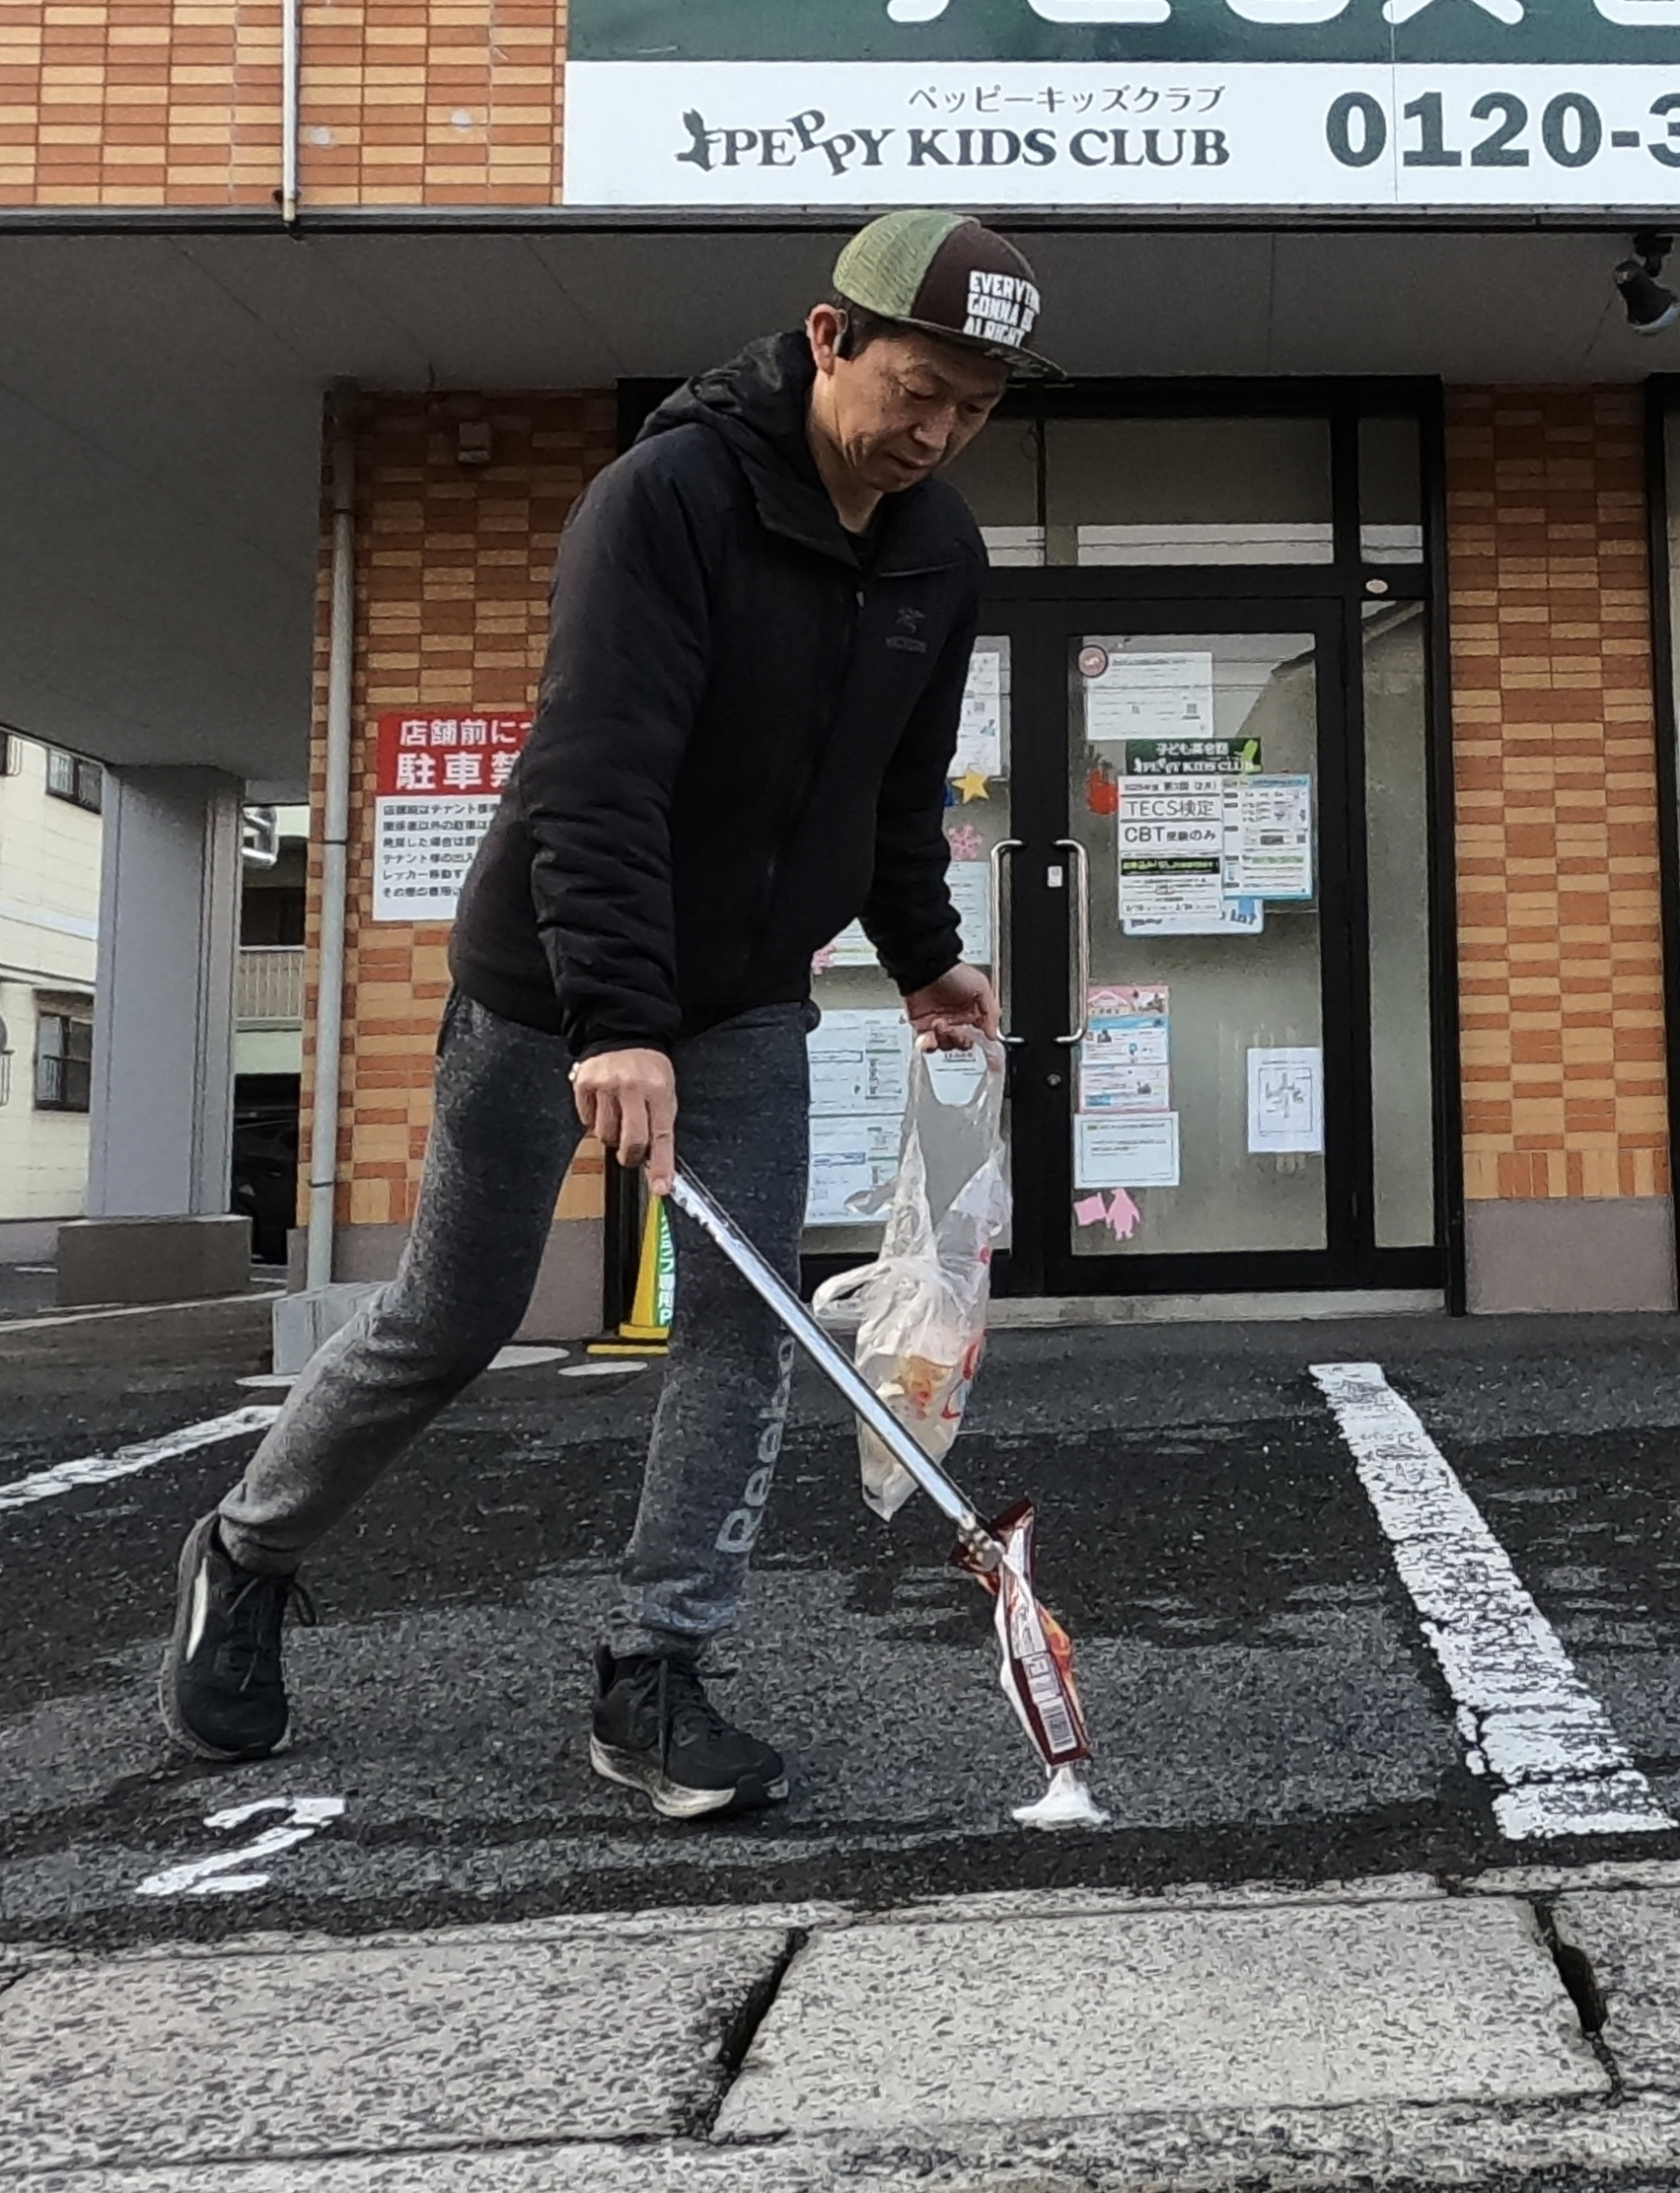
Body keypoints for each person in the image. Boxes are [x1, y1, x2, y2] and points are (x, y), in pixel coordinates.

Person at [159, 208, 1051, 1818]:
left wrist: (924, 951)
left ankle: (658, 1673)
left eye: (975, 408)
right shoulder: (669, 500)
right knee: (453, 1314)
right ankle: (247, 1548)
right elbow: (596, 773)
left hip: (750, 1002)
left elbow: (893, 790)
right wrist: (614, 1020)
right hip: (552, 984)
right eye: (918, 388)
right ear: (830, 336)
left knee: (743, 1327)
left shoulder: (940, 552)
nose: (937, 433)